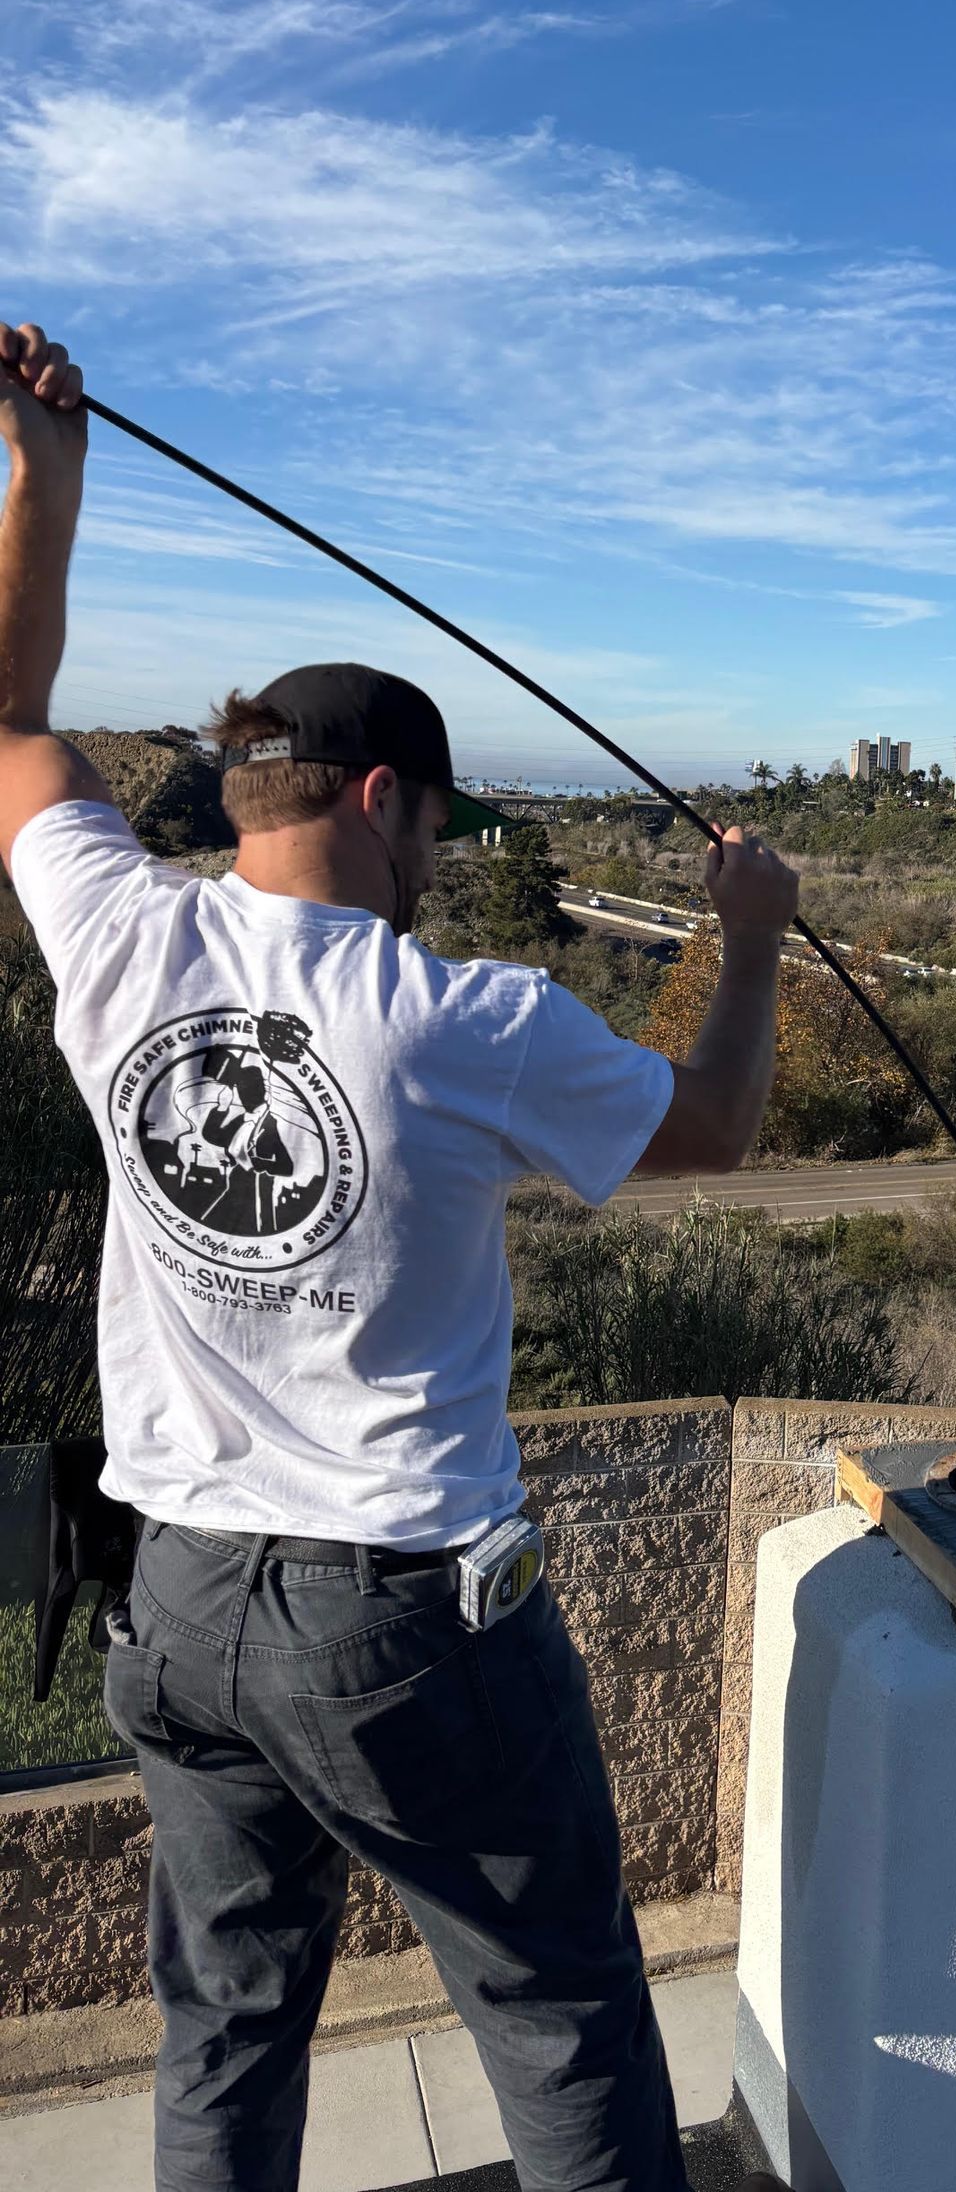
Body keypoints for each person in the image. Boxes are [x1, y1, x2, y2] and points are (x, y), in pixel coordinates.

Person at [0, 320, 797, 2192]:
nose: (437, 853)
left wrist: (49, 475)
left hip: (175, 1593)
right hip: (399, 1614)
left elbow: (13, 718)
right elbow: (716, 1130)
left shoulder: (116, 934)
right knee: (565, 2023)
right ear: (382, 801)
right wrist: (747, 932)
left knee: (226, 2038)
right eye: (436, 820)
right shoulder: (463, 1017)